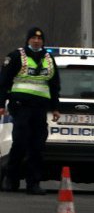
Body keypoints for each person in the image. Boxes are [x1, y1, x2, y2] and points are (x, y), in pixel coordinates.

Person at [0, 27, 61, 194]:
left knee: (37, 145)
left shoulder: (49, 59)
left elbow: (54, 85)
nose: (36, 40)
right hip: (20, 106)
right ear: (28, 40)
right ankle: (11, 179)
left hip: (40, 108)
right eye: (33, 38)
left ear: (43, 41)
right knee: (20, 142)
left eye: (39, 38)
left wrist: (55, 107)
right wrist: (1, 104)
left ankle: (33, 183)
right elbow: (4, 82)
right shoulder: (15, 56)